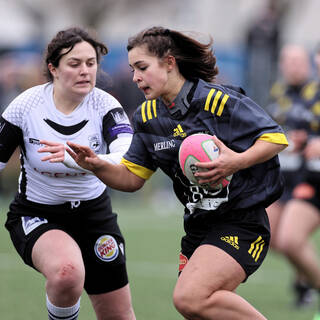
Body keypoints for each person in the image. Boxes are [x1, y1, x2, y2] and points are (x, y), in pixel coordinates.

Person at [47, 26, 288, 320]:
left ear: (170, 63)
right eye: (133, 69)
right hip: (198, 227)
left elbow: (275, 138)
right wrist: (96, 165)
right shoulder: (147, 117)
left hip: (242, 223)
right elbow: (132, 179)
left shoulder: (217, 101)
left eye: (142, 67)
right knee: (198, 309)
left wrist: (234, 162)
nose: (135, 77)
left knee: (190, 297)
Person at [0, 27, 136, 320]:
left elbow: (126, 157)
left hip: (94, 217)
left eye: (91, 63)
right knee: (67, 273)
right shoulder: (26, 106)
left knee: (119, 316)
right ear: (54, 68)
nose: (85, 71)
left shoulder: (106, 106)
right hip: (37, 214)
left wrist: (83, 161)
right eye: (74, 63)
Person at [265, 44, 318, 307]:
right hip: (282, 177)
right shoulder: (278, 93)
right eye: (289, 61)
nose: (294, 66)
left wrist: (310, 141)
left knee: (291, 240)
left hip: (309, 178)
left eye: (299, 61)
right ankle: (304, 275)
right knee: (272, 237)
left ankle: (306, 282)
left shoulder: (316, 93)